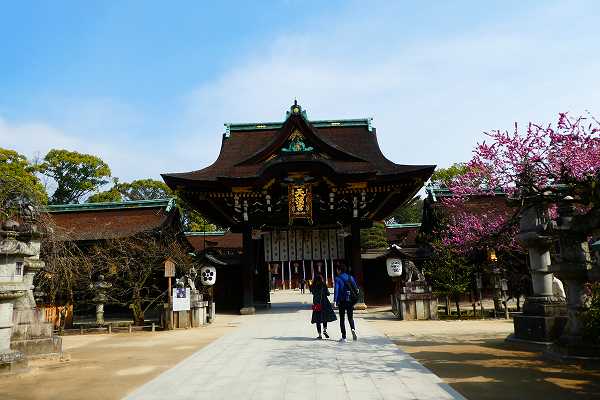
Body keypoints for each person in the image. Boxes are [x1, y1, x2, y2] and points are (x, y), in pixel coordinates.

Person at [334, 264, 358, 341]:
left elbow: (336, 290)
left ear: (339, 270)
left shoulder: (338, 278)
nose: (336, 271)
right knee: (350, 317)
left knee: (342, 319)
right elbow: (355, 288)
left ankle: (344, 337)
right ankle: (353, 329)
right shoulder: (350, 277)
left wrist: (335, 301)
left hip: (342, 301)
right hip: (350, 300)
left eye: (337, 270)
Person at [310, 274, 336, 339]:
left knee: (317, 319)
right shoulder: (323, 285)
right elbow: (328, 293)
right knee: (325, 317)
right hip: (324, 303)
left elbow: (313, 293)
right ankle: (325, 330)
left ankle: (319, 335)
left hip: (316, 303)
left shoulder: (313, 286)